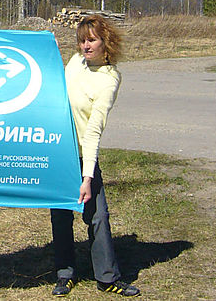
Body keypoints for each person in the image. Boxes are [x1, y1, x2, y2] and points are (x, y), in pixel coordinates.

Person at [49, 15, 140, 297]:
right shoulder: (76, 62)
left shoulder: (109, 80)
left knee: (98, 215)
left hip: (81, 155)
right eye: (82, 40)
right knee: (61, 215)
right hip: (58, 151)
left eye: (91, 40)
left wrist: (87, 177)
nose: (85, 46)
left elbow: (93, 132)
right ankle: (65, 274)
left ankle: (107, 277)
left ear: (105, 42)